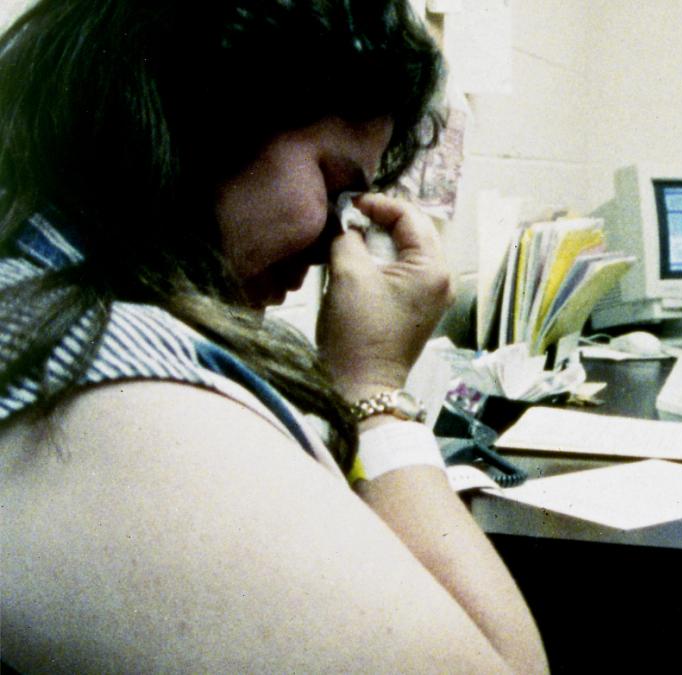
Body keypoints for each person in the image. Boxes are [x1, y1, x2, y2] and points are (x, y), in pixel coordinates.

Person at [0, 1, 548, 672]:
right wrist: (373, 386)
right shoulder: (100, 366)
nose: (330, 247)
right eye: (333, 180)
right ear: (205, 106)